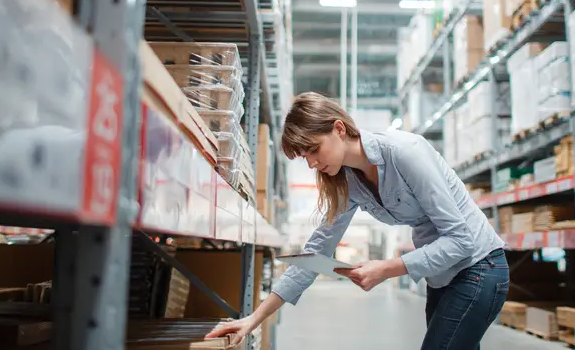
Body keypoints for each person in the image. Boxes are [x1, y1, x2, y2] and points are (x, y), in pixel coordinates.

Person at [206, 92, 508, 349]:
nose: (311, 163)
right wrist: (253, 319)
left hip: (479, 267)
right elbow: (315, 254)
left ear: (339, 128)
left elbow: (461, 240)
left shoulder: (405, 152)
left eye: (313, 149)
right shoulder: (346, 182)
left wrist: (387, 268)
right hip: (442, 276)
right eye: (304, 157)